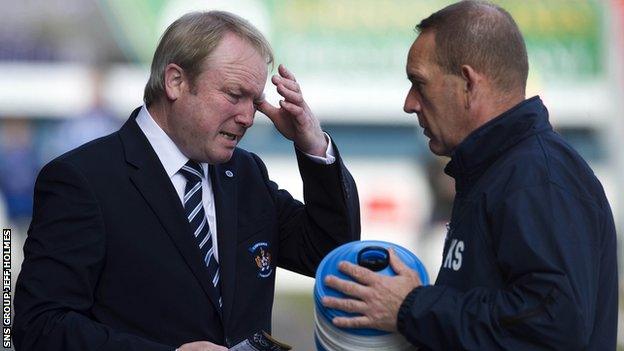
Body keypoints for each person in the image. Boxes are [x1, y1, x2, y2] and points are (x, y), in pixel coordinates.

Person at [13, 11, 360, 351]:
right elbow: (39, 327)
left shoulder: (245, 173)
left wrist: (313, 144)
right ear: (175, 81)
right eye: (234, 95)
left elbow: (331, 253)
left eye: (255, 101)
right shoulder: (83, 180)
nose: (248, 117)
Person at [322, 1, 618, 350]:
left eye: (419, 83)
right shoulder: (497, 170)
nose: (409, 103)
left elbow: (552, 328)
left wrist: (411, 306)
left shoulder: (538, 177)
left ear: (467, 83)